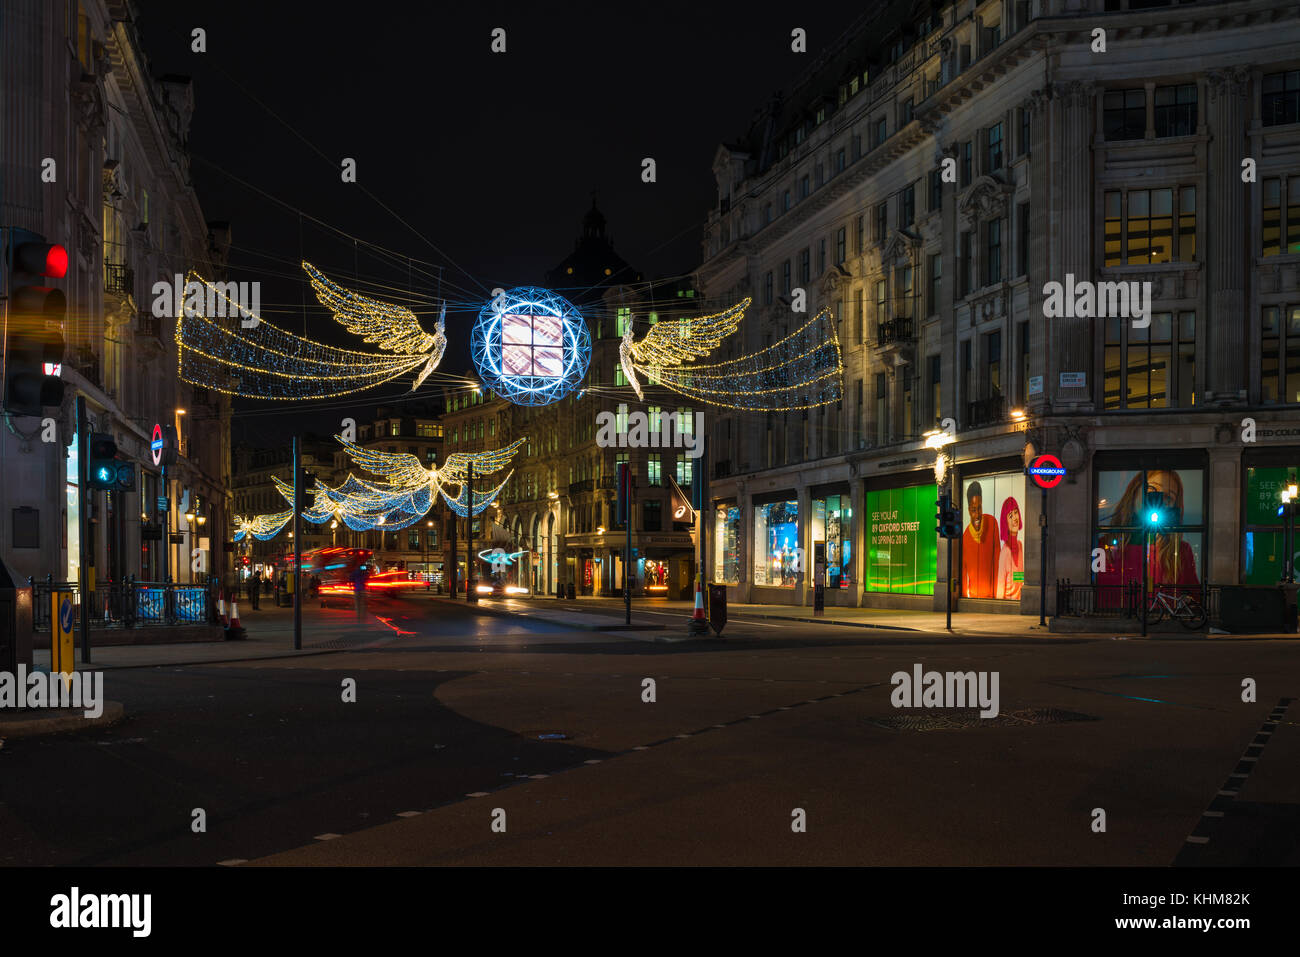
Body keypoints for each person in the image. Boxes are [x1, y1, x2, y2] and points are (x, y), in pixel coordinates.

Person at [1098, 470, 1199, 606]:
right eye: (1151, 490)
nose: (1157, 500)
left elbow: (1196, 596)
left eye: (1168, 497)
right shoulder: (1104, 546)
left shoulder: (1181, 551)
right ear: (1134, 492)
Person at [961, 481, 1001, 598]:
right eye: (973, 510)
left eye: (979, 508)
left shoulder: (992, 523)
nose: (977, 514)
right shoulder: (965, 538)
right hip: (973, 596)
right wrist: (964, 598)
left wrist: (996, 594)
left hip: (993, 595)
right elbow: (963, 575)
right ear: (968, 510)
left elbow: (997, 562)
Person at [995, 497, 1024, 600]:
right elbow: (1001, 584)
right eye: (1010, 515)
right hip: (1008, 602)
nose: (1015, 518)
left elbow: (1019, 577)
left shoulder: (1020, 546)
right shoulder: (1005, 552)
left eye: (1016, 512)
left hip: (1019, 602)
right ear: (1005, 522)